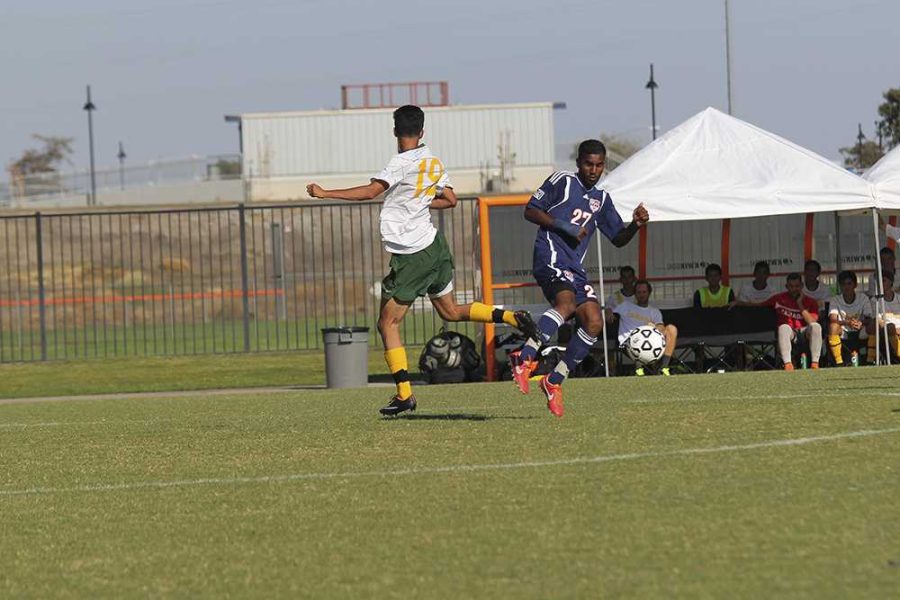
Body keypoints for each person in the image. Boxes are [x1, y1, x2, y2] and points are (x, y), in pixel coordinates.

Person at [307, 105, 536, 416]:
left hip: (413, 254)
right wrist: (420, 201)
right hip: (434, 246)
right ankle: (511, 317)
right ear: (422, 132)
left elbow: (372, 191)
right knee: (451, 311)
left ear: (394, 131)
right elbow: (451, 200)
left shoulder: (400, 163)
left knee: (387, 323)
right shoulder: (432, 161)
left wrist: (325, 193)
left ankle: (404, 394)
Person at [508, 139, 648, 417]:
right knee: (567, 304)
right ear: (578, 163)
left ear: (603, 165)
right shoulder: (563, 181)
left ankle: (553, 381)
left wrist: (636, 225)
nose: (593, 170)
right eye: (588, 164)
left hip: (575, 267)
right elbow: (530, 210)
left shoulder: (602, 199)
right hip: (550, 256)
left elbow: (618, 239)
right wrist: (564, 226)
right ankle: (523, 358)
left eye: (598, 165)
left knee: (594, 322)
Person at [730, 272, 822, 370]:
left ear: (802, 286)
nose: (794, 289)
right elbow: (758, 305)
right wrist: (739, 303)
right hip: (790, 332)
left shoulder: (811, 301)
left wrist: (800, 303)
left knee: (816, 327)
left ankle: (815, 363)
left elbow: (812, 322)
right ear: (786, 286)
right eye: (791, 286)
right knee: (783, 327)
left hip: (805, 332)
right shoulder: (779, 298)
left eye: (797, 286)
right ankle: (788, 364)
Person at [609, 279, 678, 376]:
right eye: (639, 292)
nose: (642, 295)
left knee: (672, 329)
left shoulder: (654, 311)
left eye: (644, 292)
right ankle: (639, 369)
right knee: (641, 336)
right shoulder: (625, 306)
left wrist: (654, 328)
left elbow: (661, 327)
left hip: (652, 343)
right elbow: (606, 310)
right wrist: (607, 311)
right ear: (635, 294)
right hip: (628, 343)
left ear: (649, 293)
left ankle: (664, 367)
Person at [827, 270, 872, 366]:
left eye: (849, 284)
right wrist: (847, 323)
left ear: (855, 285)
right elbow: (833, 319)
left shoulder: (863, 298)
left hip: (860, 330)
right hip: (843, 331)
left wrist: (861, 323)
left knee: (874, 325)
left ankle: (870, 360)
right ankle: (839, 362)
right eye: (843, 284)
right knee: (833, 327)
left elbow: (869, 317)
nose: (846, 287)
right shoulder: (835, 299)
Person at [867, 270, 900, 362]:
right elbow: (878, 320)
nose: (880, 283)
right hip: (888, 330)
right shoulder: (875, 300)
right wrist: (894, 329)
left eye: (884, 280)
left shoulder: (899, 298)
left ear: (891, 282)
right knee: (890, 327)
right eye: (878, 281)